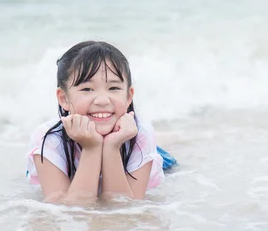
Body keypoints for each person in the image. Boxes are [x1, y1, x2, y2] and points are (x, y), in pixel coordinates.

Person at [25, 41, 175, 204]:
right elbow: (72, 210)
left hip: (147, 156)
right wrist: (92, 147)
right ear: (63, 98)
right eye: (87, 89)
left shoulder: (140, 134)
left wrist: (112, 146)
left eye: (113, 88)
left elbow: (123, 208)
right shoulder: (48, 140)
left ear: (128, 96)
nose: (102, 100)